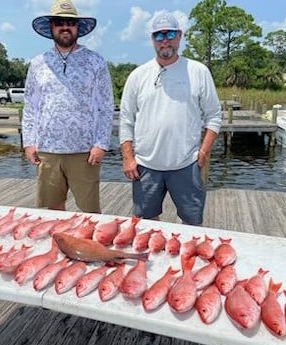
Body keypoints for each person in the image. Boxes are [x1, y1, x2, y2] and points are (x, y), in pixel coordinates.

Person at [119, 12, 222, 226]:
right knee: (145, 224)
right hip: (146, 166)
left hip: (186, 164)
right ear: (152, 39)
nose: (164, 40)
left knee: (192, 223)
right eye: (158, 35)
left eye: (170, 34)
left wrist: (202, 153)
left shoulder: (198, 71)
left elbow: (214, 116)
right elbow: (126, 119)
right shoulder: (138, 75)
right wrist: (128, 158)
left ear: (179, 35)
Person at [22, 0, 114, 213]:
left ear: (78, 28)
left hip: (85, 151)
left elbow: (106, 106)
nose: (65, 27)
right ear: (51, 27)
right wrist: (29, 142)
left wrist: (101, 143)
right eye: (59, 22)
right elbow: (31, 106)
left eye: (70, 23)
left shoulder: (95, 61)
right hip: (47, 150)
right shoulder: (38, 63)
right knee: (53, 211)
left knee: (90, 214)